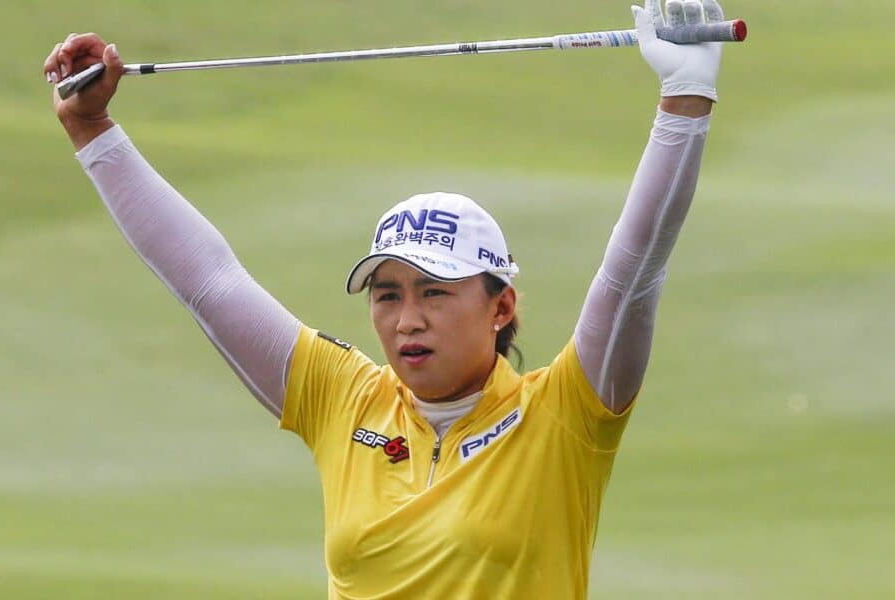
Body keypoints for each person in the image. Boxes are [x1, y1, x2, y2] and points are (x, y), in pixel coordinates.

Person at [44, 0, 728, 597]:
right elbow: (209, 281)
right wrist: (92, 132)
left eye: (435, 291)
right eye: (387, 294)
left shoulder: (564, 415)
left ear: (501, 308)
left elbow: (633, 270)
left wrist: (686, 97)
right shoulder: (345, 401)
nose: (406, 320)